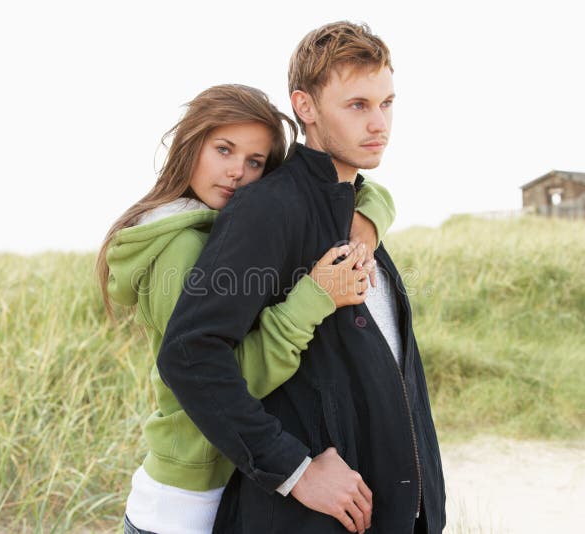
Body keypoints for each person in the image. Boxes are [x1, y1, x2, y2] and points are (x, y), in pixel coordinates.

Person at [156, 22, 446, 533]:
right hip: (307, 517)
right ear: (306, 106)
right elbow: (190, 354)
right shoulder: (267, 209)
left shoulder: (357, 211)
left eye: (387, 103)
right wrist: (294, 470)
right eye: (357, 105)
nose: (379, 123)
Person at [96, 84, 397, 534]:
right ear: (189, 145)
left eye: (255, 162)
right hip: (184, 505)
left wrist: (370, 214)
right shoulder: (179, 247)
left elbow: (343, 185)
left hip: (214, 487)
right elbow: (223, 375)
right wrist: (312, 300)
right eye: (224, 149)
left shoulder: (217, 227)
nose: (237, 171)